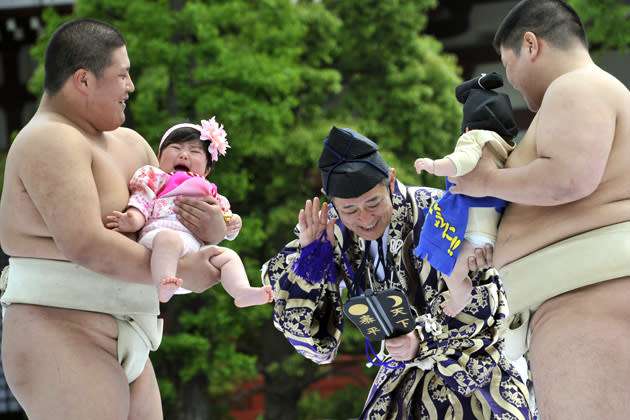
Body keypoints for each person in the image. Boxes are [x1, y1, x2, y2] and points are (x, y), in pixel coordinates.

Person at [0, 18, 227, 420]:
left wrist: (211, 231)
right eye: (122, 75)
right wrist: (181, 271)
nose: (131, 87)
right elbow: (84, 243)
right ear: (84, 80)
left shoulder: (132, 143)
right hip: (61, 329)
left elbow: (166, 225)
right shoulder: (48, 138)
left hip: (131, 328)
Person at [262, 126, 532, 419]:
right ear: (330, 199)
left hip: (474, 376)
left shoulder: (440, 210)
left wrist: (421, 338)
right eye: (350, 210)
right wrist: (312, 259)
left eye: (373, 203)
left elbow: (490, 304)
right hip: (398, 385)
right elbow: (311, 343)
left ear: (390, 180)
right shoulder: (329, 233)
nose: (364, 219)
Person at [448, 1, 630, 418]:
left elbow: (569, 179)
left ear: (530, 44)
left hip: (589, 297)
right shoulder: (581, 92)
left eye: (507, 65)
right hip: (579, 297)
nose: (510, 82)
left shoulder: (576, 85)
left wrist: (487, 182)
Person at [106, 118, 273, 306]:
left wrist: (233, 223)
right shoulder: (156, 176)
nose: (184, 155)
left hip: (195, 252)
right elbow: (141, 199)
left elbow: (224, 217)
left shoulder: (208, 190)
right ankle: (164, 282)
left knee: (228, 256)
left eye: (194, 151)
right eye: (176, 148)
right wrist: (134, 219)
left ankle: (242, 291)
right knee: (169, 239)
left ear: (207, 169)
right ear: (159, 157)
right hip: (158, 240)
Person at [414, 71, 518, 317]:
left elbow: (462, 160)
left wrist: (435, 165)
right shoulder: (508, 148)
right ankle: (463, 294)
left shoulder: (475, 138)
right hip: (499, 224)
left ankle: (461, 296)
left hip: (474, 225)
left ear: (468, 127)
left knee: (450, 270)